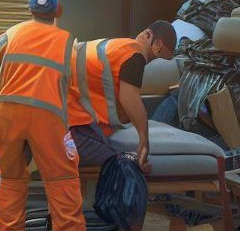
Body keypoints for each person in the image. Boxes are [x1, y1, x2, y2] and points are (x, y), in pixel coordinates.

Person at [0, 0, 97, 231]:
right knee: (62, 180)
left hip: (9, 113)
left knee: (11, 178)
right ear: (57, 12)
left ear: (30, 11)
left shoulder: (13, 32)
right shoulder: (68, 41)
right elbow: (79, 85)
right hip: (47, 116)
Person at [67, 21, 177, 172]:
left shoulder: (116, 47)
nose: (152, 62)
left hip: (67, 118)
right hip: (72, 127)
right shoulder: (135, 55)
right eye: (157, 57)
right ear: (155, 42)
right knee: (120, 167)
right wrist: (144, 142)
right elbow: (129, 97)